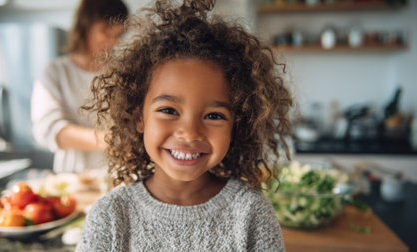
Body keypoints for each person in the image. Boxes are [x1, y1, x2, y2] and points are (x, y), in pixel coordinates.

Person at [76, 0, 293, 251]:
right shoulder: (110, 217)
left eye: (214, 116)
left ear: (237, 124)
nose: (190, 133)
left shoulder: (252, 215)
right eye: (168, 111)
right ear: (138, 118)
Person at [31, 0, 128, 173]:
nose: (113, 41)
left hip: (119, 173)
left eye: (118, 35)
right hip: (74, 176)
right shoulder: (56, 72)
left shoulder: (123, 71)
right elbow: (48, 130)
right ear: (86, 24)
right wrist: (110, 141)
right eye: (106, 31)